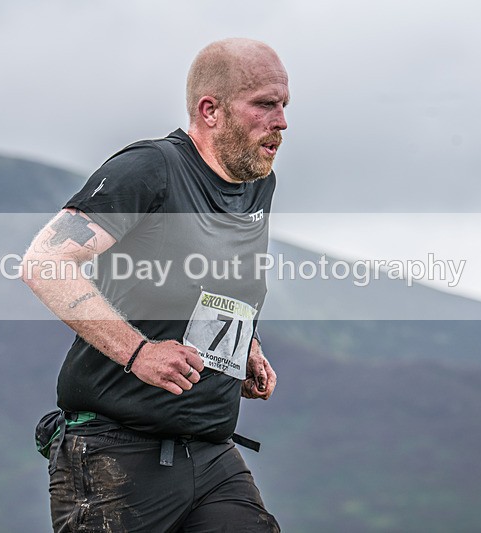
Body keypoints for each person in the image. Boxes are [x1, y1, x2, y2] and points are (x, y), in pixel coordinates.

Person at [22, 37, 288, 532]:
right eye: (264, 105)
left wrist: (242, 344)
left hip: (210, 454)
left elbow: (215, 281)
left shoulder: (258, 185)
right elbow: (45, 261)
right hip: (113, 453)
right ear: (211, 110)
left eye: (284, 106)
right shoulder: (151, 168)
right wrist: (139, 352)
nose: (281, 122)